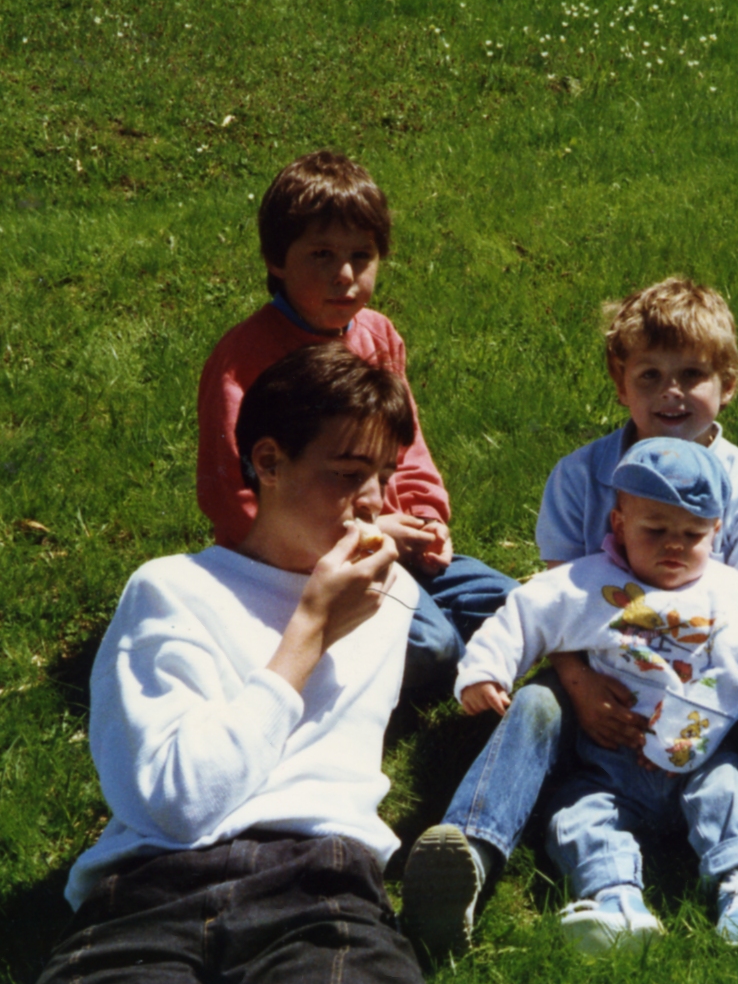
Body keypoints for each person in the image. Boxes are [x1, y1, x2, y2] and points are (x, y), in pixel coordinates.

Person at [402, 278, 738, 971]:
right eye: (650, 376)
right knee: (535, 706)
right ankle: (470, 853)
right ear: (621, 383)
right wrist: (576, 684)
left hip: (714, 691)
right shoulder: (581, 477)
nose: (671, 393)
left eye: (692, 375)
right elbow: (550, 605)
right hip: (600, 672)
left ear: (728, 384)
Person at [37, 344, 428, 984]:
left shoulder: (390, 599)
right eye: (346, 473)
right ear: (268, 462)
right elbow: (180, 805)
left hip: (323, 885)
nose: (372, 502)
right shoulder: (172, 589)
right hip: (151, 889)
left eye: (383, 476)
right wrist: (310, 629)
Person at [453, 438, 738, 956]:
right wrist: (485, 672)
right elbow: (523, 613)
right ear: (619, 524)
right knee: (578, 815)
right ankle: (615, 898)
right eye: (655, 531)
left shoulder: (732, 594)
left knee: (728, 796)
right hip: (609, 764)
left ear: (716, 531)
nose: (674, 547)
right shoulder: (588, 584)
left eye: (692, 535)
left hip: (702, 758)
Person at [196, 149, 518, 688]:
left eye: (361, 256)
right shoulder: (244, 360)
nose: (344, 275)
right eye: (321, 255)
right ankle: (440, 664)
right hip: (298, 566)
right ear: (276, 259)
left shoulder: (377, 335)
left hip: (391, 542)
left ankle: (452, 651)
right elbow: (234, 492)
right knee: (434, 646)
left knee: (513, 605)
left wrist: (426, 518)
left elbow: (406, 447)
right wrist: (362, 535)